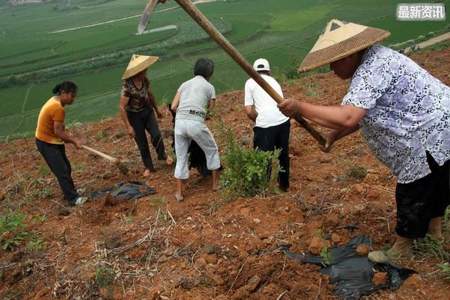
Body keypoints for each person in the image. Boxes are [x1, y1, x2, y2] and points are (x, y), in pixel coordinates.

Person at [278, 19, 450, 263]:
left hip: (427, 137)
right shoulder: (378, 58)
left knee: (413, 191)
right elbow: (366, 113)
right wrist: (333, 136)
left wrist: (300, 107)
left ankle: (402, 251)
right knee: (437, 183)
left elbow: (349, 116)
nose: (330, 69)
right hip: (442, 131)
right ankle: (435, 235)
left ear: (347, 56)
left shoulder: (372, 69)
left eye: (332, 63)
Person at [170, 58, 221, 201]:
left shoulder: (184, 84)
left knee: (181, 157)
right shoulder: (209, 87)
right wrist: (203, 115)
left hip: (179, 122)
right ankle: (215, 184)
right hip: (195, 121)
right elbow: (211, 111)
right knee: (212, 150)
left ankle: (179, 193)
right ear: (210, 73)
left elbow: (173, 106)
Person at [119, 54, 172, 178]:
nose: (146, 72)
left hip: (147, 111)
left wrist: (156, 110)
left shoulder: (145, 81)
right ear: (137, 72)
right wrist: (128, 127)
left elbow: (150, 95)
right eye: (143, 70)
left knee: (156, 134)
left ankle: (162, 155)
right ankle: (148, 166)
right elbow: (121, 107)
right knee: (142, 142)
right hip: (134, 116)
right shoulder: (127, 87)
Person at [35, 81, 87, 206]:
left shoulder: (55, 101)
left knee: (66, 167)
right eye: (72, 95)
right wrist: (75, 141)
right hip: (46, 142)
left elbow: (59, 128)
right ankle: (73, 199)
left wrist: (70, 138)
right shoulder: (57, 107)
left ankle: (71, 191)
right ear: (63, 93)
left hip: (52, 140)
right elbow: (58, 131)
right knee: (62, 171)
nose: (73, 99)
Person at [244, 58, 290, 191]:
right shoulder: (274, 81)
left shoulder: (250, 82)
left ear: (254, 71)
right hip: (283, 121)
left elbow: (248, 110)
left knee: (263, 158)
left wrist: (258, 120)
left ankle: (263, 189)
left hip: (265, 126)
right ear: (268, 71)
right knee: (283, 155)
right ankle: (284, 186)